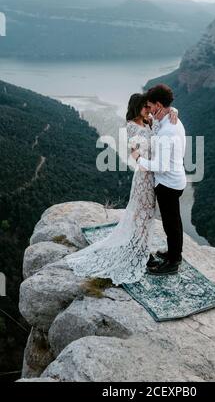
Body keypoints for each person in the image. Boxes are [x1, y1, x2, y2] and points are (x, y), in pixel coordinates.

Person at [65, 92, 178, 285]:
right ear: (137, 108)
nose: (148, 110)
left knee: (146, 217)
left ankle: (142, 249)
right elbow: (137, 154)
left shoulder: (149, 121)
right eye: (145, 107)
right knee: (142, 217)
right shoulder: (133, 127)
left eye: (149, 107)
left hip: (153, 176)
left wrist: (174, 110)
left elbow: (163, 118)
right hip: (144, 178)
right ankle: (141, 253)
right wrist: (140, 155)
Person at [131, 84, 187, 275]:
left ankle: (173, 262)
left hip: (168, 184)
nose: (149, 110)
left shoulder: (167, 132)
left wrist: (139, 159)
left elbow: (160, 166)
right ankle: (173, 253)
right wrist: (172, 110)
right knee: (174, 222)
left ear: (158, 105)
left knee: (171, 225)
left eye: (150, 105)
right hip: (176, 179)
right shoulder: (172, 122)